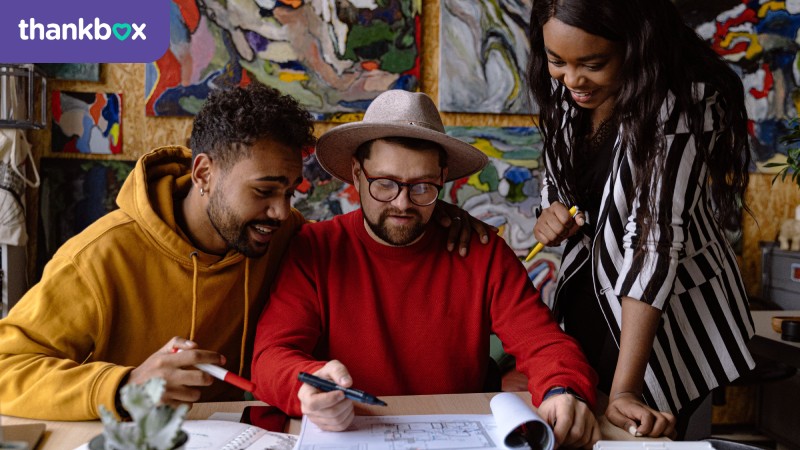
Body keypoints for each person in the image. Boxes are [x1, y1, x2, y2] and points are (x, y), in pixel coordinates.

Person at [0, 83, 486, 421]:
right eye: (264, 191)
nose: (280, 212)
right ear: (205, 174)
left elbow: (370, 234)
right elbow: (7, 368)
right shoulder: (100, 256)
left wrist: (434, 214)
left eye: (290, 192)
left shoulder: (284, 237)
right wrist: (125, 386)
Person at [252, 90, 601, 448]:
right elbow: (270, 357)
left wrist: (563, 389)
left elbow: (544, 343)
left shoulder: (481, 253)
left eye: (422, 187)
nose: (402, 204)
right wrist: (308, 385)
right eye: (384, 184)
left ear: (443, 177)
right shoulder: (314, 249)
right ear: (357, 173)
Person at [527, 0, 755, 439]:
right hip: (589, 294)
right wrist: (551, 208)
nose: (572, 79)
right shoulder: (570, 84)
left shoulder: (685, 101)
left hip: (662, 317)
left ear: (637, 44)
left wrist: (626, 389)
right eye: (557, 61)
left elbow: (654, 241)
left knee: (639, 434)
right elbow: (560, 168)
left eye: (592, 64)